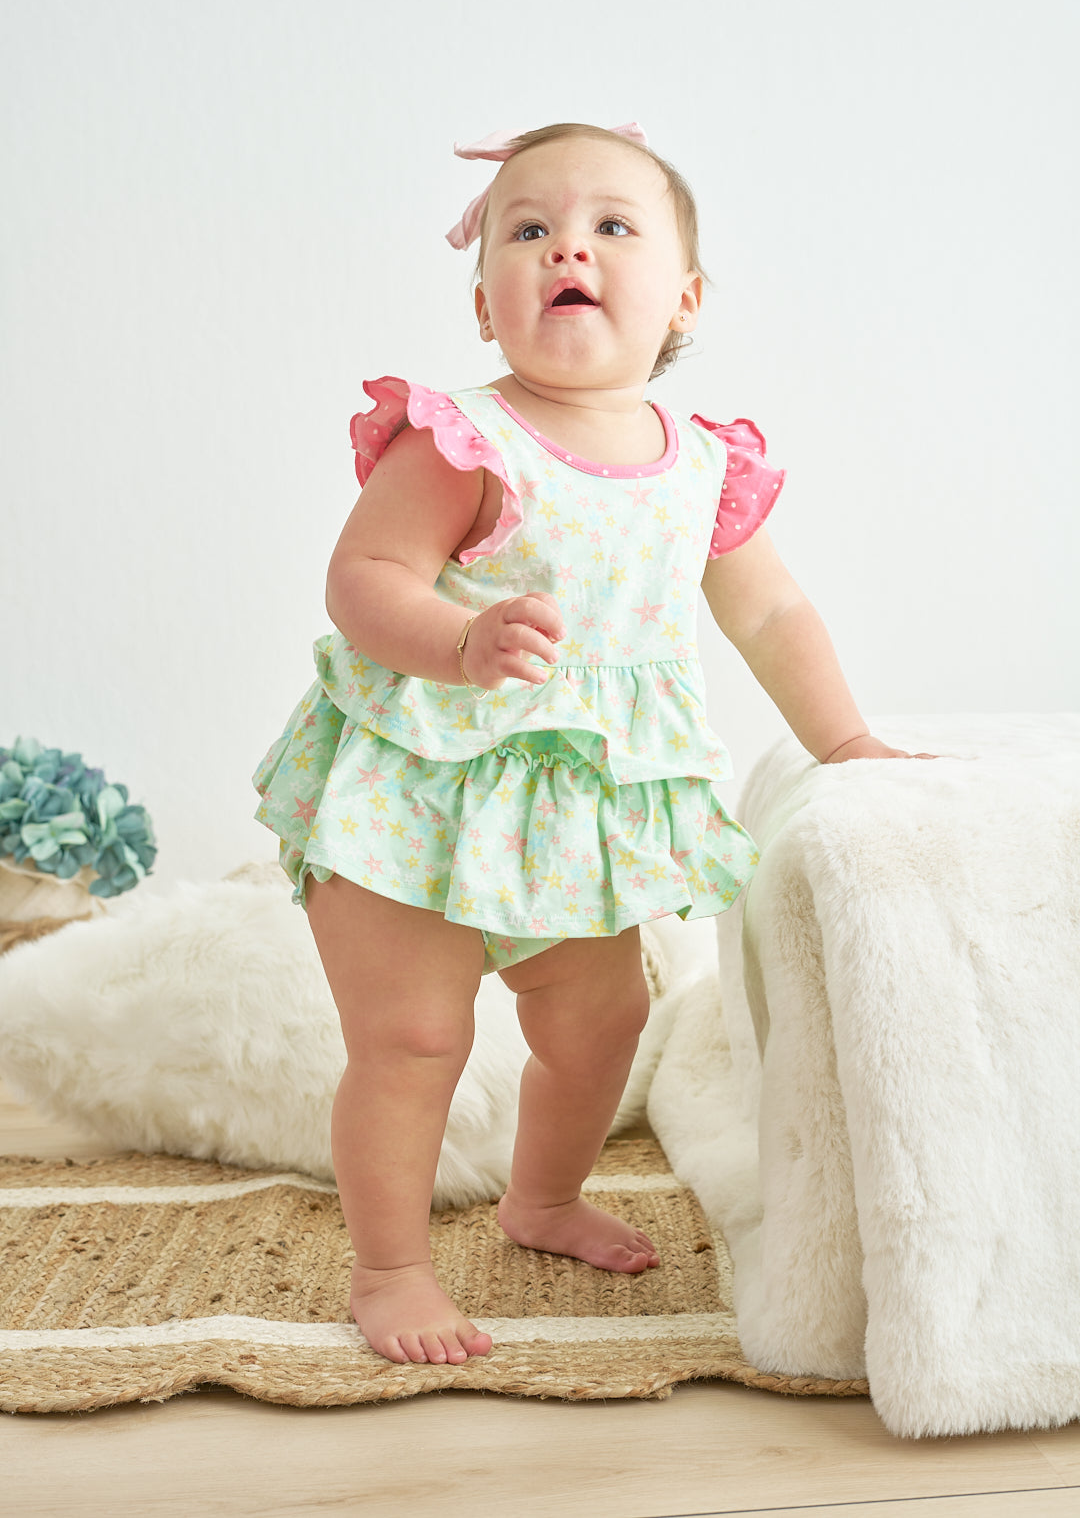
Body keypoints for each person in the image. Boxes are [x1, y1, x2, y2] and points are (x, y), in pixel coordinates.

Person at [254, 120, 928, 1367]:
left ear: (686, 297)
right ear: (484, 303)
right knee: (415, 1039)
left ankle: (543, 1198)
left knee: (602, 1020)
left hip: (575, 805)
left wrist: (844, 737)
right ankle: (390, 1268)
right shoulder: (464, 440)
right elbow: (365, 575)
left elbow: (772, 614)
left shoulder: (701, 468)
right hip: (418, 786)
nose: (568, 247)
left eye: (612, 225)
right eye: (529, 230)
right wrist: (460, 640)